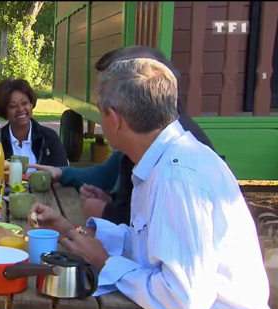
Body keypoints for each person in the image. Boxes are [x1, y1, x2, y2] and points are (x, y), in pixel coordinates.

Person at [29, 58, 278, 309]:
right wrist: (69, 229)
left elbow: (184, 301)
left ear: (114, 118)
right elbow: (150, 246)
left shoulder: (178, 179)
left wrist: (106, 263)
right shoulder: (164, 162)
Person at [31, 45, 215, 225]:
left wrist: (107, 212)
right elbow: (139, 232)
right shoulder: (154, 143)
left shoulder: (175, 177)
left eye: (104, 95)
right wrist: (110, 202)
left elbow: (166, 250)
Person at [0, 78, 68, 169]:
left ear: (31, 105)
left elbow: (63, 174)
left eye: (24, 103)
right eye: (13, 106)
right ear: (4, 111)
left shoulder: (49, 137)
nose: (20, 109)